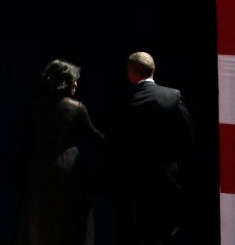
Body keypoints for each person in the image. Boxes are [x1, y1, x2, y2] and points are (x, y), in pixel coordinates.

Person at [17, 59, 104, 245]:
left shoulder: (36, 107)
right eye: (74, 79)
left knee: (42, 218)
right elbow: (95, 137)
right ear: (65, 81)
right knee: (69, 218)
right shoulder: (76, 108)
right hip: (68, 168)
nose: (76, 84)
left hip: (40, 168)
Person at [111, 51, 193, 245]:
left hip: (133, 186)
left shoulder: (124, 101)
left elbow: (115, 143)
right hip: (167, 181)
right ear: (153, 70)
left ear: (130, 73)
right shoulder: (173, 97)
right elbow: (188, 137)